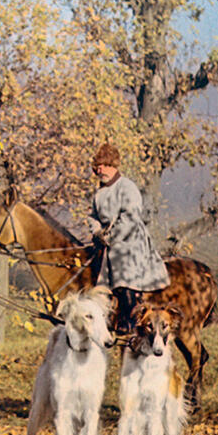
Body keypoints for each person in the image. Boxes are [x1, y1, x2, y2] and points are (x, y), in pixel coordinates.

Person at [87, 141, 169, 334]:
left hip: (131, 240)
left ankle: (130, 320)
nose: (100, 171)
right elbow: (92, 216)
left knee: (124, 266)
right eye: (97, 167)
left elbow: (130, 217)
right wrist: (97, 231)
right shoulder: (99, 193)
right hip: (107, 240)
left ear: (113, 165)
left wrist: (112, 237)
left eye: (103, 166)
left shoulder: (127, 187)